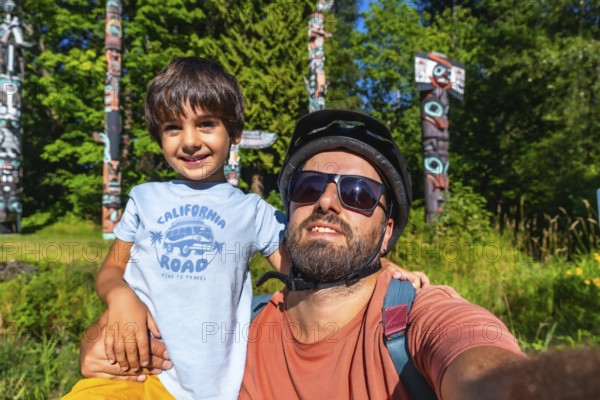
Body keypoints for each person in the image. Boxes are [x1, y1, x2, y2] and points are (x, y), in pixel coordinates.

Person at [63, 64, 422, 400]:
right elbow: (112, 269)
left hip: (212, 387)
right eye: (173, 127)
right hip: (134, 371)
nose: (189, 141)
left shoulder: (252, 210)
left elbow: (311, 265)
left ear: (234, 132)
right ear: (159, 136)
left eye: (206, 124)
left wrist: (384, 270)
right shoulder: (143, 198)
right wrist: (121, 299)